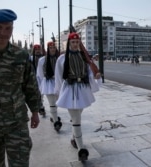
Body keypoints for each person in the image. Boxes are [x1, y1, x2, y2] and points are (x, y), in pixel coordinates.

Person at [0, 9, 41, 166]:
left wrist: (35, 111)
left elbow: (30, 86)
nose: (3, 33)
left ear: (12, 29)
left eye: (8, 28)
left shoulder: (20, 55)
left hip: (16, 123)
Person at [54, 32, 101, 161]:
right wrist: (58, 92)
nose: (75, 44)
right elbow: (58, 76)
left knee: (77, 115)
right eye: (73, 42)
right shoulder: (62, 59)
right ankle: (81, 150)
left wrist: (96, 77)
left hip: (82, 89)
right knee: (76, 119)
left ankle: (74, 138)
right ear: (69, 43)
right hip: (70, 90)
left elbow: (89, 73)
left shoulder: (83, 56)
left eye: (77, 42)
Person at [37, 41, 62, 131]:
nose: (52, 49)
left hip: (58, 83)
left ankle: (53, 116)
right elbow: (40, 74)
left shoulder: (59, 59)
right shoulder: (42, 60)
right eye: (51, 48)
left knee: (57, 102)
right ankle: (56, 122)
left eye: (54, 48)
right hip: (48, 82)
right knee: (52, 103)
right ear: (48, 49)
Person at [31, 44, 46, 116]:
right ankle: (41, 107)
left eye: (38, 50)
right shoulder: (31, 58)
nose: (37, 51)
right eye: (36, 50)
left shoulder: (44, 58)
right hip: (34, 78)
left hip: (42, 77)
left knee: (41, 93)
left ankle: (41, 106)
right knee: (38, 93)